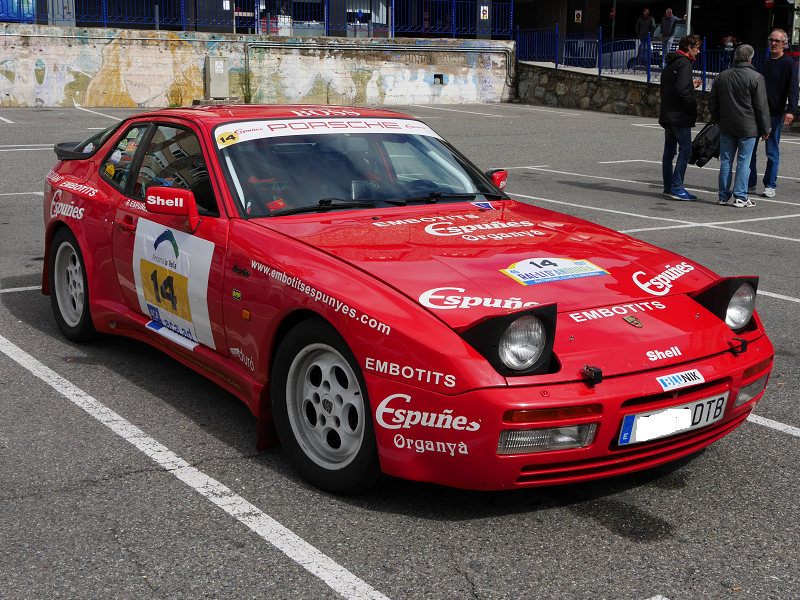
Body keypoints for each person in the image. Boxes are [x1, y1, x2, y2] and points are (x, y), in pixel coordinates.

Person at [708, 44, 771, 208]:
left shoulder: (722, 76)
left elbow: (713, 103)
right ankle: (741, 196)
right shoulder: (756, 77)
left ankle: (723, 195)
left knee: (726, 161)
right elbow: (761, 107)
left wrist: (720, 120)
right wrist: (765, 129)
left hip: (727, 125)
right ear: (750, 58)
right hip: (748, 127)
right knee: (744, 162)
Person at [748, 28, 799, 198]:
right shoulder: (767, 61)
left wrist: (791, 111)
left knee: (772, 151)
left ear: (784, 44)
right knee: (750, 150)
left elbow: (793, 89)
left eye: (777, 41)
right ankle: (750, 183)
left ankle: (770, 185)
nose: (773, 43)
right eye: (771, 40)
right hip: (758, 112)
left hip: (775, 114)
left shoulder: (789, 63)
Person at [660, 35, 702, 200]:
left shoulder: (671, 63)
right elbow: (681, 89)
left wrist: (691, 85)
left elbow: (675, 86)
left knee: (669, 153)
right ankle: (677, 188)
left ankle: (668, 187)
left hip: (668, 114)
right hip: (679, 115)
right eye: (697, 48)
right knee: (685, 150)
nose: (698, 51)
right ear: (689, 46)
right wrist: (692, 106)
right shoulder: (684, 63)